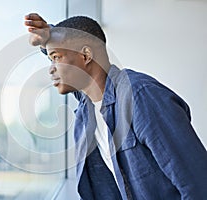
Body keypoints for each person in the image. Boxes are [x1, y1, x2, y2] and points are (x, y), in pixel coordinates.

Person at [24, 13, 207, 200]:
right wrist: (49, 34)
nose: (51, 68)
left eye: (56, 57)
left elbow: (199, 184)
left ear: (86, 55)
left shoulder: (139, 96)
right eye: (51, 59)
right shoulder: (89, 107)